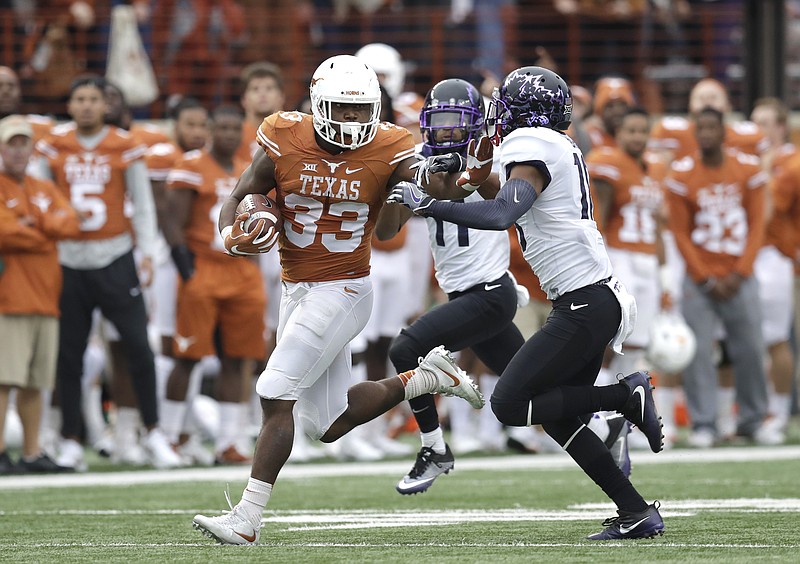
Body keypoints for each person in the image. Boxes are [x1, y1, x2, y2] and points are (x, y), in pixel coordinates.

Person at [191, 54, 483, 545]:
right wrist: (231, 235)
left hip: (345, 287)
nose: (351, 119)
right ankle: (429, 377)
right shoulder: (284, 134)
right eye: (341, 110)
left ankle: (246, 519)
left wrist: (418, 187)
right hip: (296, 286)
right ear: (318, 104)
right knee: (325, 425)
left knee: (274, 389)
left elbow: (391, 229)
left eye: (359, 110)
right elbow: (242, 192)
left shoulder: (393, 147)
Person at [390, 66, 665, 540]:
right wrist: (466, 177)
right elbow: (503, 195)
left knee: (510, 403)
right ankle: (636, 511)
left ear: (523, 111)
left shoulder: (532, 144)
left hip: (585, 302)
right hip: (589, 299)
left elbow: (502, 215)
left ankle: (625, 396)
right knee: (558, 417)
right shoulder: (553, 145)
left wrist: (428, 203)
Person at [34, 75, 181, 471]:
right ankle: (69, 438)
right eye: (78, 98)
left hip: (116, 255)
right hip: (68, 258)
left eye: (92, 99)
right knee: (69, 353)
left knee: (137, 346)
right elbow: (40, 199)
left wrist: (146, 252)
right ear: (70, 105)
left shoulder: (125, 144)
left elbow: (143, 203)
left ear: (105, 105)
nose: (85, 106)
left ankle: (152, 432)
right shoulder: (52, 144)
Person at [162, 105, 266, 464]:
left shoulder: (247, 169)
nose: (227, 135)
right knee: (188, 355)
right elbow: (172, 221)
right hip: (203, 267)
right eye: (220, 128)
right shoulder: (191, 165)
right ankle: (170, 436)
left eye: (233, 129)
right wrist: (186, 270)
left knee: (239, 358)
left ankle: (228, 441)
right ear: (210, 129)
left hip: (242, 271)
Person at [664, 107, 771, 448]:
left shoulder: (748, 168)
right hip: (701, 278)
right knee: (697, 352)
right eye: (701, 128)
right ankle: (704, 423)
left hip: (740, 274)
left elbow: (758, 224)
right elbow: (680, 232)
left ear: (724, 132)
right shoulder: (682, 174)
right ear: (695, 134)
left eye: (712, 128)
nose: (707, 134)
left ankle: (753, 420)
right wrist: (704, 276)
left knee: (752, 347)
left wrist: (740, 272)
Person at [0, 115, 80, 474]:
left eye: (23, 144)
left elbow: (71, 222)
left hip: (45, 296)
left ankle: (31, 453)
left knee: (35, 381)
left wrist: (36, 225)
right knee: (4, 378)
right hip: (9, 297)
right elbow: (5, 233)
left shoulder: (42, 188)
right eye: (11, 144)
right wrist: (44, 233)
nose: (18, 151)